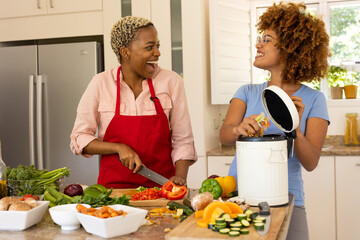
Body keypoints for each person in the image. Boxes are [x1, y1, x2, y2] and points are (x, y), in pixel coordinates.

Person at [219, 2, 330, 240]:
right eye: (260, 38)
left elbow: (310, 162)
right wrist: (238, 129)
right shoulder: (247, 92)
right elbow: (224, 136)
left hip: (288, 199)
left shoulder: (314, 99)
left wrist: (294, 129)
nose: (258, 44)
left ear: (290, 48)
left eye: (266, 39)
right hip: (241, 198)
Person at [70, 16, 197, 188]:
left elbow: (183, 139)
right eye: (149, 47)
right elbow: (79, 138)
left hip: (161, 189)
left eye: (158, 46)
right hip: (113, 192)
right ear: (125, 52)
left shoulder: (171, 81)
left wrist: (180, 178)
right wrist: (118, 148)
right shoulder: (100, 83)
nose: (157, 53)